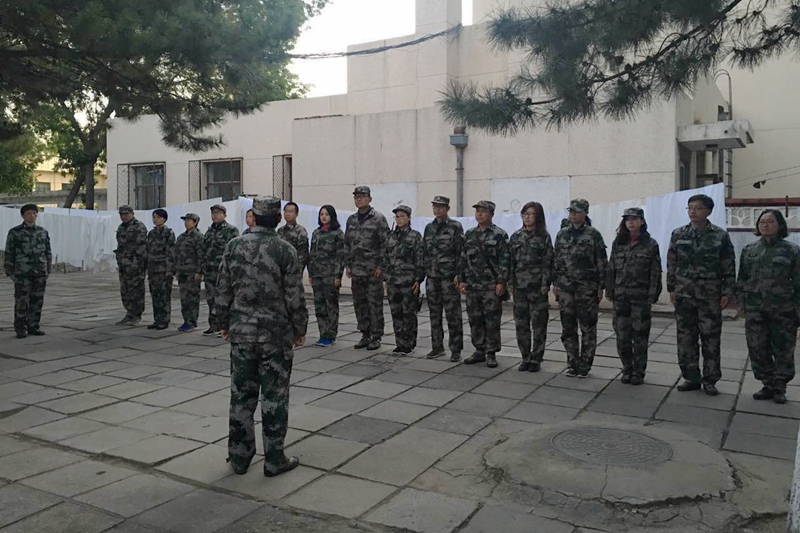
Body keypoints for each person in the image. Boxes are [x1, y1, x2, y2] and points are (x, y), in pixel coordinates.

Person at [216, 196, 308, 478]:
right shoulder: (285, 250)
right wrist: (300, 329)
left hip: (242, 334)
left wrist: (223, 323)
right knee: (274, 397)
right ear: (278, 219)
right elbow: (294, 295)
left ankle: (239, 458)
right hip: (275, 336)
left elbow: (223, 288)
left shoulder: (234, 246)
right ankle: (274, 459)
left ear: (253, 217)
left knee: (241, 397)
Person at [667, 194, 735, 396]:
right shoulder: (678, 233)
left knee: (710, 338)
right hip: (684, 293)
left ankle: (710, 379)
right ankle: (691, 377)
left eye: (697, 208)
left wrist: (727, 291)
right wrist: (671, 288)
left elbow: (728, 265)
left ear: (708, 211)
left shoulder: (720, 236)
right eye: (690, 208)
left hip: (710, 295)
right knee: (685, 337)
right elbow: (672, 262)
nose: (693, 212)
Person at [736, 209, 800, 404]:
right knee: (757, 348)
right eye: (762, 221)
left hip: (783, 310)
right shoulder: (750, 249)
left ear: (780, 225)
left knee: (783, 349)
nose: (765, 225)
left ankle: (780, 386)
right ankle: (767, 383)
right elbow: (742, 278)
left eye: (770, 221)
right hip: (756, 309)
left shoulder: (792, 250)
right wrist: (741, 302)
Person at [605, 208, 662, 385]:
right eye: (628, 219)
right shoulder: (618, 242)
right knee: (622, 337)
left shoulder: (650, 244)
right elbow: (611, 267)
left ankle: (639, 371)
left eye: (634, 219)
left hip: (640, 298)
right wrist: (609, 289)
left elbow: (655, 271)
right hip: (621, 297)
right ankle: (627, 368)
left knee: (640, 337)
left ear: (642, 222)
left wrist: (652, 295)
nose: (630, 222)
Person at [553, 199, 608, 378]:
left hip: (587, 288)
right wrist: (556, 283)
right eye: (571, 211)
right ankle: (572, 363)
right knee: (568, 328)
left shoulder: (593, 235)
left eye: (577, 212)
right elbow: (557, 260)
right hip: (566, 288)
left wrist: (601, 286)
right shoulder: (562, 234)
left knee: (588, 328)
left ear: (585, 213)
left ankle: (585, 364)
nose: (573, 215)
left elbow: (601, 261)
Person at [459, 200, 509, 368]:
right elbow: (464, 258)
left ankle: (491, 352)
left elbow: (504, 260)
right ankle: (479, 350)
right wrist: (462, 279)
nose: (479, 214)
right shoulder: (469, 234)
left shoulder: (499, 234)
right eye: (477, 211)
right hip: (473, 285)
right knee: (475, 319)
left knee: (492, 320)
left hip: (490, 285)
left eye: (483, 211)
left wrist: (501, 281)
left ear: (491, 214)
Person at [344, 186, 390, 350]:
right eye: (356, 197)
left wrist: (381, 266)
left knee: (374, 305)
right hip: (357, 270)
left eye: (362, 196)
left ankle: (376, 336)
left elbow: (385, 244)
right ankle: (365, 334)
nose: (359, 199)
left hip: (372, 271)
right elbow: (347, 244)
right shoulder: (351, 220)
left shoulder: (378, 219)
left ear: (369, 199)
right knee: (360, 304)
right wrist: (348, 264)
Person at [509, 201, 553, 372]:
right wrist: (510, 283)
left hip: (537, 288)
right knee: (521, 324)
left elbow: (548, 262)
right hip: (520, 288)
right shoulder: (516, 237)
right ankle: (525, 357)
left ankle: (536, 358)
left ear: (538, 217)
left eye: (531, 214)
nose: (527, 217)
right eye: (525, 214)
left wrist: (545, 284)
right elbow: (510, 262)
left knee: (539, 325)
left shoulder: (544, 237)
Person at [422, 196, 464, 362]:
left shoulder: (455, 227)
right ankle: (437, 347)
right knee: (434, 314)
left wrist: (459, 274)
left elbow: (460, 252)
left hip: (449, 278)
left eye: (441, 207)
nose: (437, 209)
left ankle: (456, 349)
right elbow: (425, 252)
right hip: (433, 277)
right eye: (435, 206)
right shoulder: (429, 228)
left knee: (453, 315)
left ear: (447, 208)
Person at [4, 204, 51, 339]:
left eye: (34, 213)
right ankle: (20, 328)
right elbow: (9, 252)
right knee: (22, 301)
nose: (32, 216)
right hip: (22, 272)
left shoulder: (42, 232)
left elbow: (47, 251)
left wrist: (48, 269)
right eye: (29, 213)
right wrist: (10, 271)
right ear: (23, 215)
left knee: (37, 300)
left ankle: (33, 326)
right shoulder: (14, 232)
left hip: (39, 271)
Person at [382, 205, 424, 355]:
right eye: (397, 217)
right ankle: (399, 343)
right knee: (396, 313)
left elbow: (420, 259)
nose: (399, 219)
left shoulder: (415, 236)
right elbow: (385, 258)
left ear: (409, 218)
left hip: (408, 282)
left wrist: (418, 279)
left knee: (409, 314)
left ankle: (409, 343)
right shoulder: (390, 237)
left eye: (402, 216)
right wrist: (386, 278)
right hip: (393, 281)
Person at [308, 205, 345, 347]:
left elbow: (340, 256)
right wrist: (311, 273)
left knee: (331, 306)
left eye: (326, 214)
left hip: (330, 275)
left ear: (332, 216)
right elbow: (312, 254)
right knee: (319, 306)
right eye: (321, 214)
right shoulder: (316, 233)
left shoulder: (338, 234)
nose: (324, 217)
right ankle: (322, 333)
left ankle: (331, 334)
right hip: (317, 274)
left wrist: (338, 275)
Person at [202, 204, 240, 336]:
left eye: (218, 213)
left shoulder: (231, 230)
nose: (215, 216)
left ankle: (226, 326)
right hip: (210, 271)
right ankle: (213, 326)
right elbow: (204, 250)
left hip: (223, 271)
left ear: (224, 215)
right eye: (213, 213)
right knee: (210, 299)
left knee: (224, 299)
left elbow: (234, 251)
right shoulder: (209, 231)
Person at [114, 205, 147, 325]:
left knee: (136, 290)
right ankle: (129, 313)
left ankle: (137, 314)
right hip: (124, 264)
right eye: (121, 214)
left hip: (135, 265)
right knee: (125, 289)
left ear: (132, 214)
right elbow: (120, 245)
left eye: (126, 214)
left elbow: (141, 247)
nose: (123, 216)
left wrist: (136, 263)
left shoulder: (139, 226)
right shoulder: (121, 227)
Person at [145, 209, 176, 330]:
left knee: (164, 296)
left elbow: (171, 252)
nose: (155, 219)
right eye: (154, 217)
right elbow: (148, 250)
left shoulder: (168, 233)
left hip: (163, 269)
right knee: (155, 295)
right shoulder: (151, 233)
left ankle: (164, 320)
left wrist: (170, 270)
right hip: (153, 269)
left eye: (158, 217)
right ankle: (157, 319)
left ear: (164, 219)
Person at [175, 213, 205, 332]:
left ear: (195, 222)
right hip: (182, 272)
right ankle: (186, 320)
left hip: (192, 272)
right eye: (185, 221)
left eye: (189, 221)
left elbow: (201, 256)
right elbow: (177, 254)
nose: (186, 223)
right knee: (184, 298)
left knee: (192, 298)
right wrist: (177, 270)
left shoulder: (199, 237)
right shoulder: (181, 237)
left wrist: (199, 272)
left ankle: (192, 322)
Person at [277, 202, 309, 274]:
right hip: (281, 269)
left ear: (296, 214)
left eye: (291, 211)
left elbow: (303, 254)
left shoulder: (301, 231)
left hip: (294, 270)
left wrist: (298, 270)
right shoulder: (280, 231)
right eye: (286, 211)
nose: (288, 214)